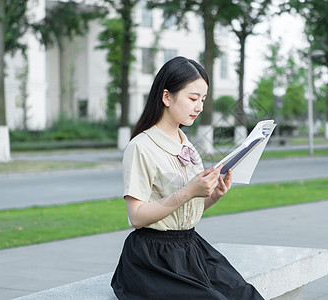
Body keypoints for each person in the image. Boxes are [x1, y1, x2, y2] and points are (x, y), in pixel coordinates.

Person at [111, 56, 263, 299]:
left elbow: (187, 210)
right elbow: (136, 216)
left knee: (245, 294)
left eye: (203, 99)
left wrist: (212, 195)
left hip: (190, 247)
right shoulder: (141, 146)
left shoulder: (186, 145)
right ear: (166, 97)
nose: (200, 106)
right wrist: (189, 191)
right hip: (152, 259)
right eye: (193, 98)